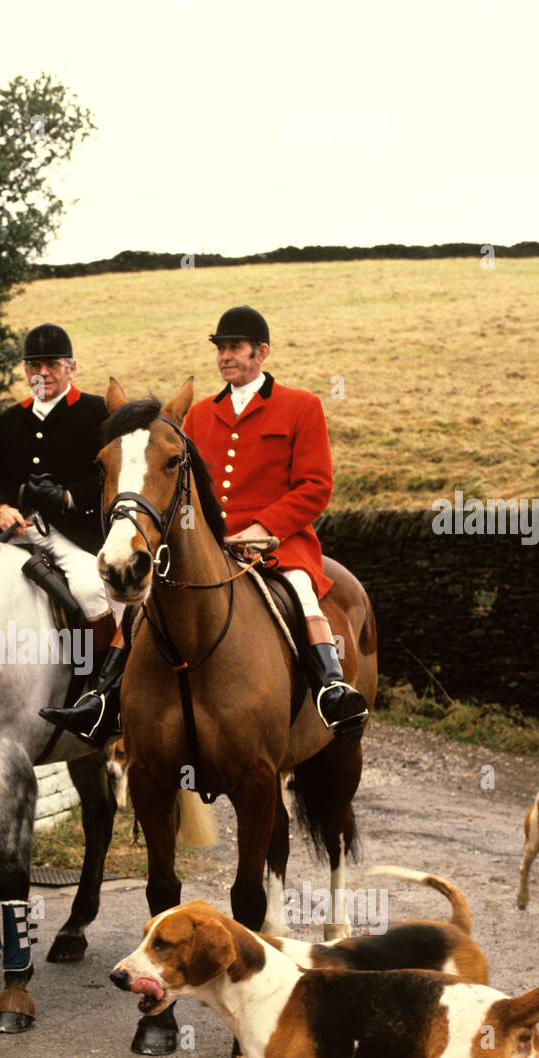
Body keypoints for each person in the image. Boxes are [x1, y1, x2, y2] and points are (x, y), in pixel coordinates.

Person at [183, 305, 369, 740]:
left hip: (279, 544)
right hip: (210, 545)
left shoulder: (300, 406)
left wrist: (262, 530)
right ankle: (108, 694)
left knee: (302, 592)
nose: (226, 356)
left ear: (261, 352)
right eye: (221, 349)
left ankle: (330, 686)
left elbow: (316, 485)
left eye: (236, 348)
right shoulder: (199, 415)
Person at [0, 323, 124, 743]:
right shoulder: (8, 420)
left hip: (71, 532)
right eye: (34, 365)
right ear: (25, 371)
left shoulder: (96, 413)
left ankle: (104, 693)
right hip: (16, 530)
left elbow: (113, 475)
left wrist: (70, 497)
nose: (43, 373)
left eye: (52, 364)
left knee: (91, 590)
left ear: (71, 367)